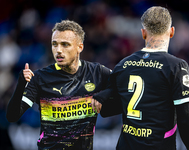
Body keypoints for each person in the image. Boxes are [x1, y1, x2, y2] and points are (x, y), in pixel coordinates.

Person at [92, 6, 189, 150]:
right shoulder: (176, 66)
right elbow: (185, 118)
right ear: (172, 31)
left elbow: (106, 109)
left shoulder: (123, 64)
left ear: (143, 33)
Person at [6, 20, 112, 150]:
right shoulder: (40, 78)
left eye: (65, 44)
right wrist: (21, 84)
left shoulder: (97, 72)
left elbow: (122, 84)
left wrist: (103, 95)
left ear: (80, 47)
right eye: (54, 44)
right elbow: (12, 116)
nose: (58, 50)